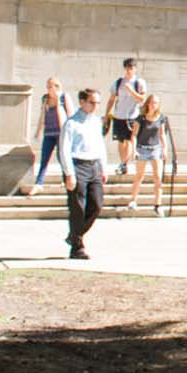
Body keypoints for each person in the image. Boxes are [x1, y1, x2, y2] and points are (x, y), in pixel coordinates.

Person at [62, 86, 108, 260]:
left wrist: (103, 167)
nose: (95, 106)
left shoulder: (96, 122)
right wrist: (69, 173)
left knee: (96, 204)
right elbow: (65, 148)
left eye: (97, 103)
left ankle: (74, 235)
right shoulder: (71, 123)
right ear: (82, 102)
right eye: (91, 102)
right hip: (77, 165)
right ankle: (77, 247)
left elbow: (99, 145)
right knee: (78, 208)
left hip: (94, 164)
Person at [127, 93, 170, 212]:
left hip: (155, 149)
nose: (153, 105)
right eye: (151, 102)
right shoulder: (141, 118)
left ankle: (157, 204)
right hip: (142, 148)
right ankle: (133, 200)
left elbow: (162, 134)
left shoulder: (161, 117)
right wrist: (134, 150)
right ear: (147, 104)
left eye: (155, 103)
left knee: (158, 177)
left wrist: (165, 148)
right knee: (139, 176)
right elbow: (134, 135)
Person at [30, 76, 72, 195]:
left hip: (61, 133)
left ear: (57, 87)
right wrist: (38, 131)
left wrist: (58, 102)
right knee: (44, 158)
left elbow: (70, 115)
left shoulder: (64, 97)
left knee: (62, 157)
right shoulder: (45, 98)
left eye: (51, 86)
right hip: (48, 133)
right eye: (47, 86)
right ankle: (39, 183)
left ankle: (67, 180)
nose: (49, 89)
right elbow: (42, 115)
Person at [107, 57, 147, 176]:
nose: (129, 70)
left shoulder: (138, 82)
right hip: (119, 115)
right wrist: (106, 114)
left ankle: (124, 164)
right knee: (121, 141)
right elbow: (112, 99)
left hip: (132, 116)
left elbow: (142, 99)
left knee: (129, 140)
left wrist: (131, 91)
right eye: (128, 67)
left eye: (132, 68)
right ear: (124, 68)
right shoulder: (118, 82)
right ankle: (123, 162)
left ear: (135, 69)